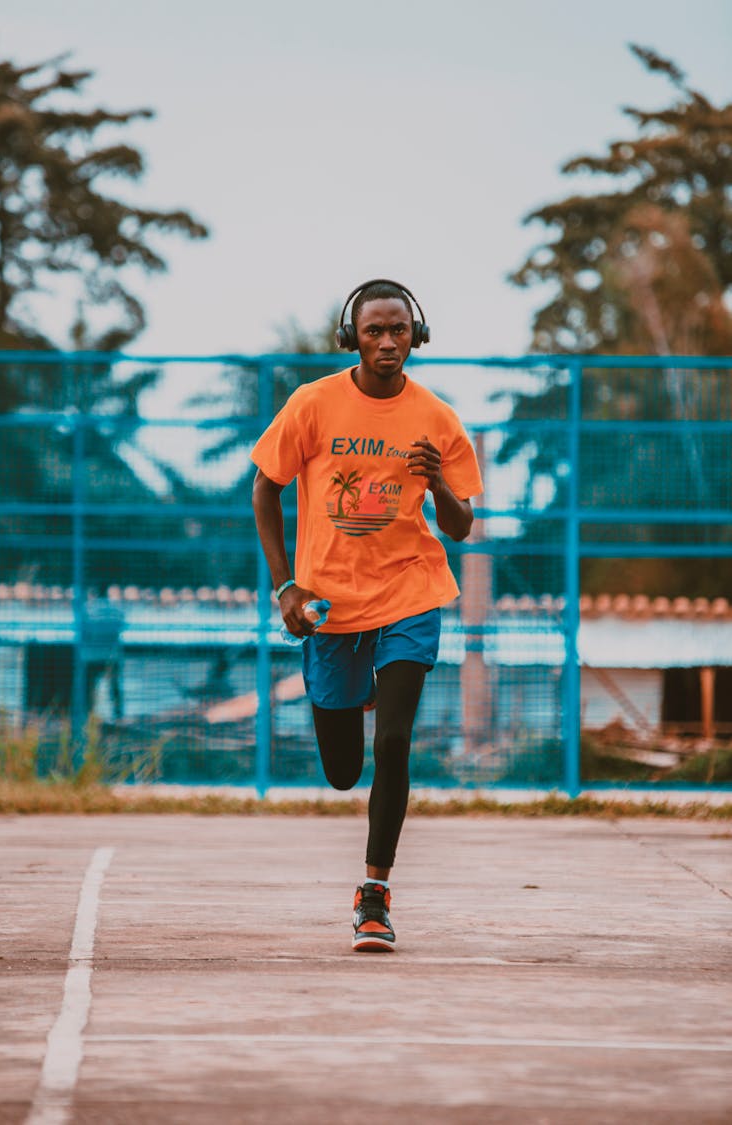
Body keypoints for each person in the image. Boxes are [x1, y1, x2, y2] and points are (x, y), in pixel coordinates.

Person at [251, 279, 483, 952]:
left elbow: (461, 527)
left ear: (417, 336)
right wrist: (284, 586)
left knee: (394, 742)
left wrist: (438, 480)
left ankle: (375, 894)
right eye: (375, 330)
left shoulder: (437, 417)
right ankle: (350, 688)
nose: (388, 341)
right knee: (344, 768)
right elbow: (265, 489)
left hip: (411, 591)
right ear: (352, 336)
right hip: (329, 602)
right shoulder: (314, 403)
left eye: (399, 330)